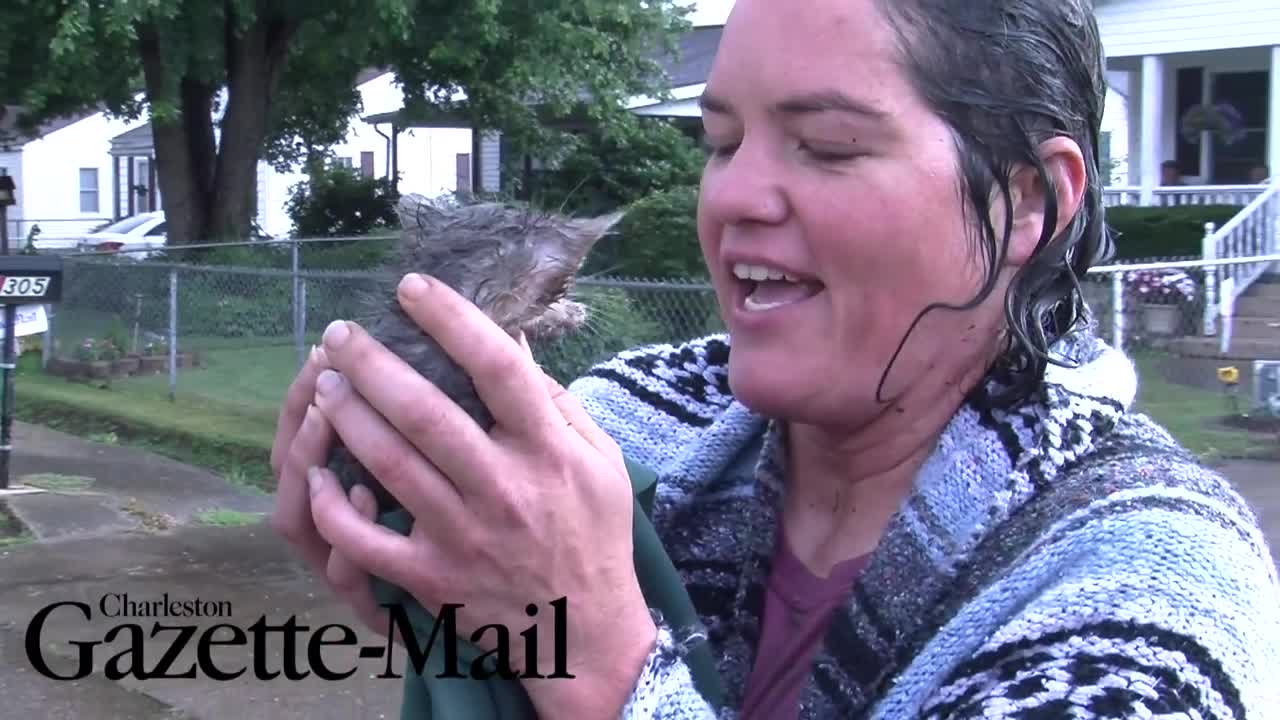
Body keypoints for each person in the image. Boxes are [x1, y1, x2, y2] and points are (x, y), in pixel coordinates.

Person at [270, 0, 1280, 717]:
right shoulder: (622, 422)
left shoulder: (1150, 580)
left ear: (1029, 202)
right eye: (720, 141)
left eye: (827, 145)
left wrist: (605, 668)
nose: (733, 198)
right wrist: (440, 605)